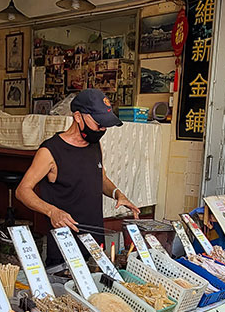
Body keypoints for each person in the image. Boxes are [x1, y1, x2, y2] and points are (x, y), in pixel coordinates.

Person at [16, 89, 137, 264]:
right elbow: (22, 190)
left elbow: (100, 178)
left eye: (105, 125)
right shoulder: (50, 151)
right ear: (78, 117)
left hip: (95, 239)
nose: (102, 129)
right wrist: (52, 211)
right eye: (99, 123)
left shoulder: (95, 145)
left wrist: (118, 193)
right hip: (65, 244)